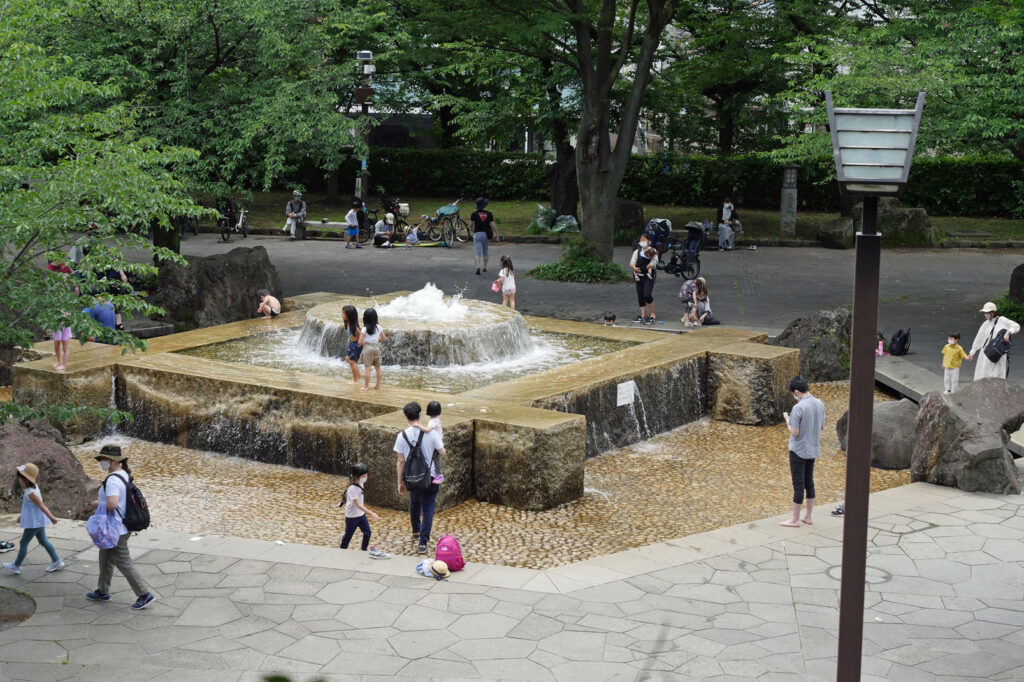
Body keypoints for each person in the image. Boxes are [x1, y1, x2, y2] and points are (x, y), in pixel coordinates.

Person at [86, 445, 155, 609]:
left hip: (115, 528)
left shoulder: (112, 480)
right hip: (120, 525)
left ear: (112, 460)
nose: (101, 462)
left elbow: (112, 504)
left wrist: (96, 503)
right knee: (105, 558)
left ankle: (144, 594)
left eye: (103, 459)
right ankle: (103, 590)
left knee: (123, 562)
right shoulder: (123, 474)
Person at [394, 401, 446, 555]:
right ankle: (423, 543)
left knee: (414, 502)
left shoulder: (402, 436)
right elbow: (442, 452)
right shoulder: (431, 433)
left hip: (412, 477)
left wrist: (399, 482)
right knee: (428, 509)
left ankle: (416, 531)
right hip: (430, 477)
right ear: (420, 414)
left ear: (405, 416)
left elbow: (400, 461)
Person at [780, 376, 825, 528]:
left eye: (794, 393)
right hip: (813, 449)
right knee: (809, 481)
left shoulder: (798, 408)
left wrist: (788, 420)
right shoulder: (819, 403)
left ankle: (795, 520)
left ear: (796, 392)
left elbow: (795, 432)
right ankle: (808, 517)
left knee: (798, 484)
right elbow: (822, 427)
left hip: (798, 450)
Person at [3, 463, 64, 575]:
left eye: (19, 477)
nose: (18, 479)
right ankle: (57, 561)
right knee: (43, 541)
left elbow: (42, 506)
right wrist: (22, 516)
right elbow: (29, 507)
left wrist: (52, 518)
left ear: (25, 479)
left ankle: (16, 565)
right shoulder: (33, 487)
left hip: (34, 523)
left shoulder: (30, 493)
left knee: (23, 542)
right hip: (37, 521)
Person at [338, 462, 387, 558]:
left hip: (361, 515)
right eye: (364, 475)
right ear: (357, 476)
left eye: (366, 475)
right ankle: (342, 550)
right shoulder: (352, 489)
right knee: (348, 536)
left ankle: (363, 550)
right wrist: (372, 513)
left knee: (367, 533)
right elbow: (358, 505)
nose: (366, 477)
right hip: (352, 517)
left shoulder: (360, 483)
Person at [967, 301, 1019, 380]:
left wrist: (1008, 332)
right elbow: (979, 338)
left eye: (988, 312)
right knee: (983, 372)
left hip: (998, 351)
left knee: (996, 373)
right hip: (986, 351)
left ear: (993, 312)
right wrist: (973, 351)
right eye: (985, 313)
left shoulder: (1002, 320)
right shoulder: (985, 324)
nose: (986, 314)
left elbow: (1016, 326)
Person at [46, 259, 75, 370]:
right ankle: (59, 361)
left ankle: (64, 364)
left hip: (64, 322)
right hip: (57, 322)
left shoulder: (66, 299)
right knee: (56, 345)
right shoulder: (56, 297)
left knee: (65, 346)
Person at [629, 235, 658, 324]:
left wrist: (647, 266)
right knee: (640, 295)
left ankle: (653, 313)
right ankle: (643, 315)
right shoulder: (637, 251)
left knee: (647, 294)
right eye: (641, 240)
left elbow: (654, 261)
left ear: (648, 241)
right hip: (638, 275)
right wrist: (634, 267)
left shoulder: (652, 250)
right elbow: (632, 262)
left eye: (644, 240)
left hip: (648, 276)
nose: (642, 241)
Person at [359, 308, 386, 391]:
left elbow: (360, 341)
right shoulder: (379, 327)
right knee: (378, 368)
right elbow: (384, 338)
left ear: (365, 318)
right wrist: (376, 340)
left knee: (368, 368)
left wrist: (365, 343)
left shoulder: (364, 329)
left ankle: (366, 387)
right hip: (376, 348)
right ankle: (378, 386)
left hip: (367, 348)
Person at [470, 197, 494, 275]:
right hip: (486, 234)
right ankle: (485, 267)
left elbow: (471, 225)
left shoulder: (474, 214)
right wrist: (497, 233)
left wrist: (472, 230)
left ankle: (477, 266)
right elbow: (492, 224)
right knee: (485, 251)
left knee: (477, 252)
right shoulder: (489, 213)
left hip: (477, 234)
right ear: (484, 205)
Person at [426, 401, 444, 484]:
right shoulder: (436, 419)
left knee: (435, 458)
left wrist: (419, 426)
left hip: (436, 443)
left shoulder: (433, 421)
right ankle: (437, 474)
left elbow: (428, 429)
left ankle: (439, 475)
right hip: (437, 441)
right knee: (434, 457)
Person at [343, 305, 362, 383]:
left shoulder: (354, 327)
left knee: (352, 362)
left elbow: (361, 336)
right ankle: (359, 374)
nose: (342, 315)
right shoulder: (348, 323)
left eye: (344, 313)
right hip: (352, 343)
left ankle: (355, 379)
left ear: (349, 316)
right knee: (348, 359)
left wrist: (360, 345)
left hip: (357, 344)